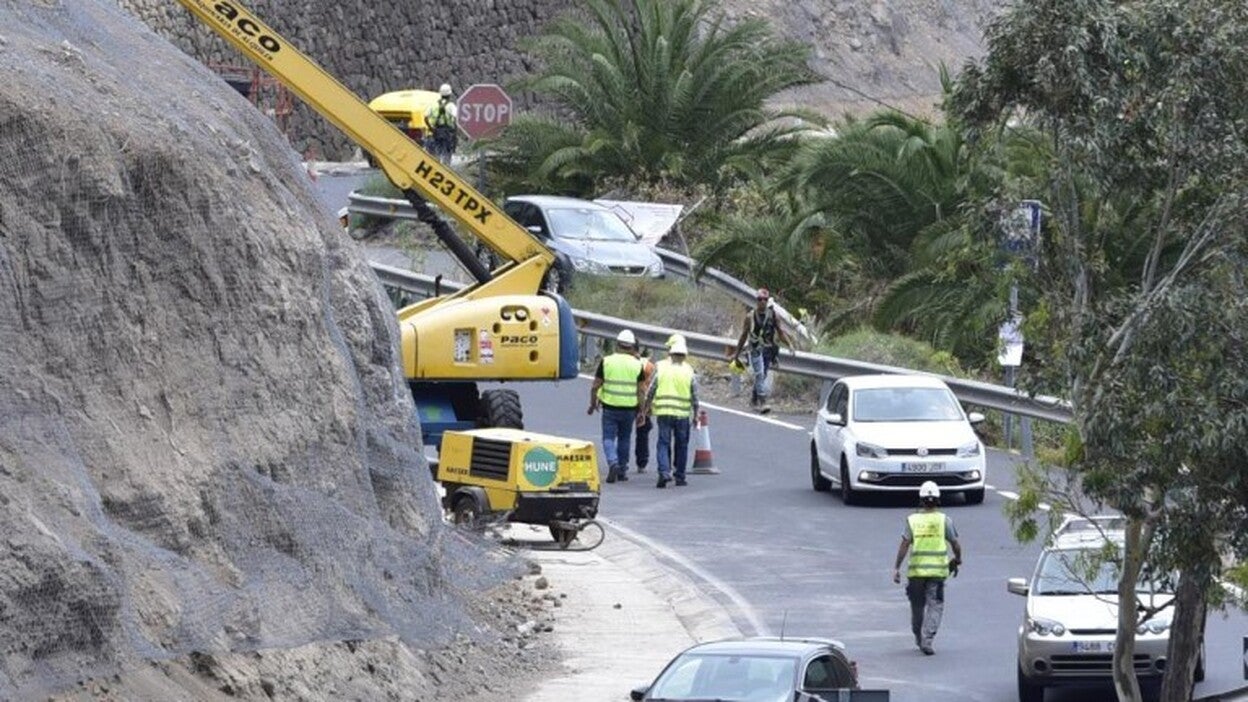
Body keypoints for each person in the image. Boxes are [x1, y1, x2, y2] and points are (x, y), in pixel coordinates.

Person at [892, 481, 962, 655]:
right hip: (937, 573)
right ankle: (927, 639)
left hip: (916, 573)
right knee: (935, 605)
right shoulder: (944, 520)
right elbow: (955, 544)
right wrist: (958, 560)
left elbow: (904, 544)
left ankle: (918, 636)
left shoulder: (913, 520)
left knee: (917, 606)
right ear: (938, 500)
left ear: (921, 500)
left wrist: (896, 568)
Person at [588, 329, 645, 483]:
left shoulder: (607, 361)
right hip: (629, 409)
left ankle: (612, 462)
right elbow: (641, 390)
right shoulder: (637, 364)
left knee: (608, 438)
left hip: (610, 407)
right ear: (632, 346)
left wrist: (593, 404)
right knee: (625, 439)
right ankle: (622, 470)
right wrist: (642, 410)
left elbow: (595, 386)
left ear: (617, 344)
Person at [642, 337, 699, 488]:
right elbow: (695, 395)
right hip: (682, 415)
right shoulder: (689, 371)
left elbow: (651, 390)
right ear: (685, 355)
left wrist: (645, 408)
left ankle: (664, 472)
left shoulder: (661, 367)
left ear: (671, 354)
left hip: (664, 412)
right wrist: (696, 414)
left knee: (663, 443)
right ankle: (680, 476)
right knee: (682, 445)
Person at [730, 288, 792, 414]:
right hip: (755, 349)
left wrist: (789, 344)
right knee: (759, 374)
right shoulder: (750, 317)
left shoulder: (774, 315)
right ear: (756, 301)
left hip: (768, 350)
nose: (762, 302)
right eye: (759, 299)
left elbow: (780, 332)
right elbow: (743, 336)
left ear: (767, 301)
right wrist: (736, 354)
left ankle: (753, 399)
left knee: (762, 374)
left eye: (764, 299)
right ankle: (763, 402)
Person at [633, 347, 657, 474]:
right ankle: (642, 463)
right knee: (642, 433)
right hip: (642, 401)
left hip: (623, 401)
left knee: (621, 435)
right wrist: (646, 408)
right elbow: (650, 387)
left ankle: (619, 462)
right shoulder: (649, 366)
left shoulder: (617, 362)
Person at [425, 83, 458, 163]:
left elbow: (425, 117)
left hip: (435, 133)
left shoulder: (433, 105)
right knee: (447, 156)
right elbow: (456, 119)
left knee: (435, 157)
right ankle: (446, 169)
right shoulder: (451, 106)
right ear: (449, 94)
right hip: (447, 134)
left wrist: (431, 128)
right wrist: (455, 133)